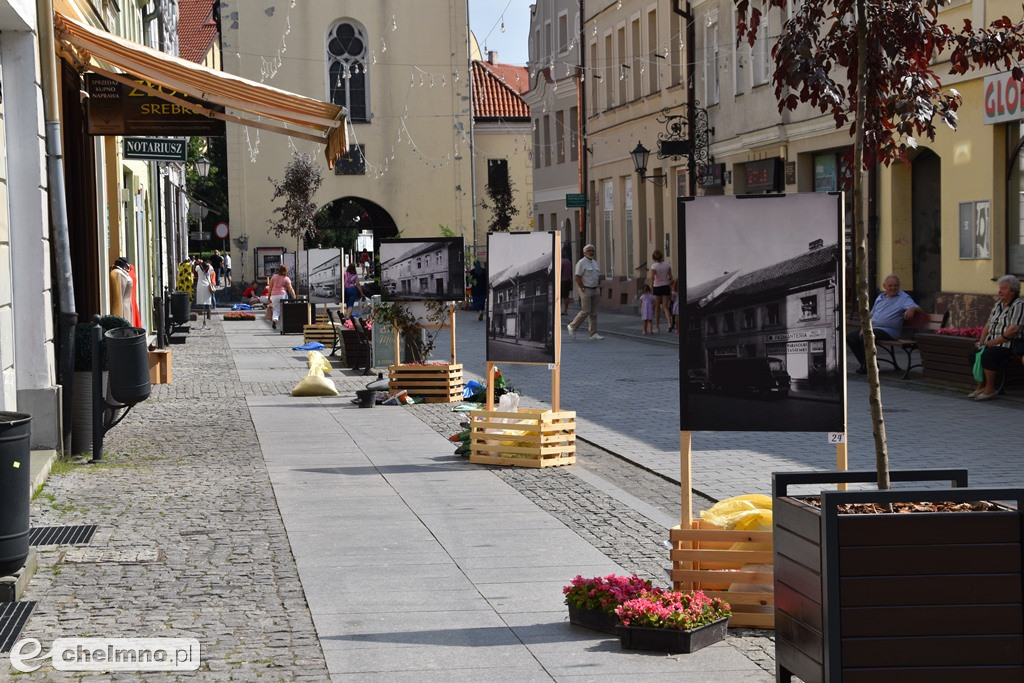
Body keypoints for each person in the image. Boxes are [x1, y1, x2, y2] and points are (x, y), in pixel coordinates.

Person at [846, 274, 922, 374]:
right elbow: (871, 314)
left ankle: (870, 366)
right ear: (884, 286)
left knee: (866, 336)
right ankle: (867, 364)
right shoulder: (880, 297)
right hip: (873, 328)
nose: (893, 288)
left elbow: (919, 309)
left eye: (896, 285)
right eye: (890, 286)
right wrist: (864, 327)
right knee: (850, 337)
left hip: (888, 331)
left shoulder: (903, 298)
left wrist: (913, 308)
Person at [969, 274, 1024, 401]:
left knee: (989, 355)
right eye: (999, 288)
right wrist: (981, 342)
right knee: (973, 353)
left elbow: (1014, 329)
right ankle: (981, 386)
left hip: (1010, 345)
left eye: (1004, 288)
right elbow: (988, 324)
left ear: (1013, 291)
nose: (999, 291)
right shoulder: (998, 304)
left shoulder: (1018, 305)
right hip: (992, 343)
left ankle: (990, 389)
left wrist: (992, 343)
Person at [567, 244, 603, 340]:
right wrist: (582, 288)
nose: (591, 252)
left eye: (592, 251)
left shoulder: (595, 262)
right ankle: (572, 326)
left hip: (595, 289)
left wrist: (599, 286)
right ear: (584, 252)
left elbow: (598, 275)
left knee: (594, 313)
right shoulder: (581, 263)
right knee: (586, 311)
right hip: (585, 289)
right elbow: (577, 276)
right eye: (589, 251)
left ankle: (593, 333)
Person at [648, 249, 674, 332]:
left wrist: (651, 288)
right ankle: (669, 324)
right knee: (665, 307)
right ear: (662, 256)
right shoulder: (667, 265)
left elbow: (652, 278)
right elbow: (671, 277)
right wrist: (667, 280)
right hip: (666, 286)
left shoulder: (654, 266)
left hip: (657, 287)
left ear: (654, 258)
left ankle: (657, 327)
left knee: (657, 308)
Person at [268, 264, 296, 330]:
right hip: (282, 295)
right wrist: (294, 297)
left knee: (276, 309)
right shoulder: (286, 278)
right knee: (284, 308)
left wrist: (269, 296)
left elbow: (270, 287)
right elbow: (290, 289)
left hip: (274, 295)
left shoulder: (274, 277)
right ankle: (285, 322)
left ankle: (275, 319)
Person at [194, 259, 216, 328]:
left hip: (200, 286)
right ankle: (207, 318)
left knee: (203, 302)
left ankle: (205, 320)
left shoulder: (198, 267)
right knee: (207, 301)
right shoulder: (210, 267)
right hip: (207, 286)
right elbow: (212, 273)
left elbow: (195, 272)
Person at [560, 250, 573, 316]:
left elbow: (560, 271)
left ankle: (559, 310)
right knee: (566, 296)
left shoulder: (561, 262)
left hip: (562, 281)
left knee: (560, 296)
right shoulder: (568, 261)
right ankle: (565, 310)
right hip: (568, 280)